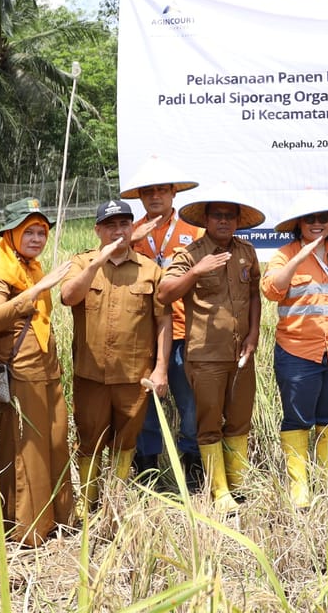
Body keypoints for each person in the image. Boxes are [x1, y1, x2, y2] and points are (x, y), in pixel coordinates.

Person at [61, 199, 172, 517]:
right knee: (89, 438)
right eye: (110, 225)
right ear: (98, 230)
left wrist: (162, 367)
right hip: (90, 373)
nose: (117, 231)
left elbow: (164, 321)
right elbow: (69, 297)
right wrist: (97, 263)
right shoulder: (82, 263)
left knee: (126, 440)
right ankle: (87, 501)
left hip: (134, 374)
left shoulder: (150, 270)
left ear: (132, 228)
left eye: (124, 224)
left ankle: (116, 500)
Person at [158, 185, 264, 512]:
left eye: (229, 216)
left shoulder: (246, 251)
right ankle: (219, 491)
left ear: (237, 220)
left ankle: (237, 483)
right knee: (208, 422)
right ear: (206, 219)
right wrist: (195, 272)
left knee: (239, 419)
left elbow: (256, 293)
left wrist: (254, 333)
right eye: (217, 215)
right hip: (205, 355)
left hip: (241, 353)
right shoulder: (190, 254)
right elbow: (164, 293)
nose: (223, 221)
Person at [0, 198, 75, 545]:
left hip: (46, 370)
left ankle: (59, 521)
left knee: (55, 443)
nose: (36, 238)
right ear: (11, 233)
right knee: (26, 450)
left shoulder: (30, 266)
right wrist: (36, 290)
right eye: (28, 231)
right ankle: (28, 532)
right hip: (20, 371)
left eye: (41, 232)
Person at [260, 190, 328, 508]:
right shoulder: (283, 255)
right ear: (299, 224)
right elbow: (271, 291)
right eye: (310, 219)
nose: (317, 223)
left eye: (323, 218)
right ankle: (300, 486)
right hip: (296, 353)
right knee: (297, 419)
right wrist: (301, 254)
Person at [120, 157, 204, 490]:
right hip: (143, 335)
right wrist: (130, 239)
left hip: (185, 333)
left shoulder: (194, 233)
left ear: (173, 194)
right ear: (140, 197)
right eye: (148, 191)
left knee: (191, 408)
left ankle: (193, 471)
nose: (155, 196)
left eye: (162, 190)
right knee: (145, 409)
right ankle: (147, 473)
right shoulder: (129, 233)